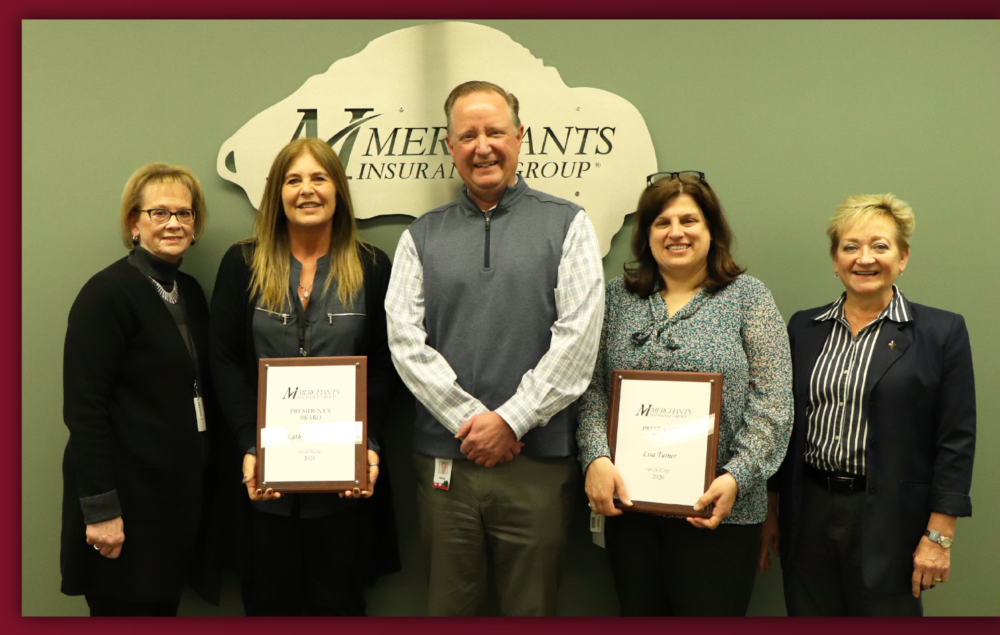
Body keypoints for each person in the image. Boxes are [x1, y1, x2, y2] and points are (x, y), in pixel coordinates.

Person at [385, 80, 605, 616]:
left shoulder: (568, 224)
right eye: (468, 135)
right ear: (449, 146)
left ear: (520, 136)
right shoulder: (421, 236)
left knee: (531, 609)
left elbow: (578, 340)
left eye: (495, 131)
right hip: (446, 460)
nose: (483, 146)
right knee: (448, 609)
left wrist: (511, 421)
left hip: (537, 461)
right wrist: (472, 421)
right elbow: (404, 341)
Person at [577, 171, 793, 616]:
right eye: (662, 222)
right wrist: (596, 458)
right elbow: (592, 389)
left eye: (689, 220)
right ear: (647, 235)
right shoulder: (616, 299)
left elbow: (773, 402)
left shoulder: (748, 298)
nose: (676, 232)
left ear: (711, 230)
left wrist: (737, 477)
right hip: (632, 509)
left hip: (720, 510)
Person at [759, 194, 975, 616]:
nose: (865, 258)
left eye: (880, 246)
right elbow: (785, 424)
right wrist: (771, 512)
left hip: (890, 520)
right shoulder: (804, 327)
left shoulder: (940, 332)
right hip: (809, 512)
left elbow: (956, 438)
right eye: (850, 246)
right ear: (835, 261)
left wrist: (940, 534)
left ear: (903, 257)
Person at [209, 137, 398, 616]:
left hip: (344, 489)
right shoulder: (244, 263)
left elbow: (384, 363)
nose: (306, 190)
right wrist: (249, 446)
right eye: (293, 180)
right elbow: (225, 360)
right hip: (264, 485)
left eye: (319, 178)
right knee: (267, 604)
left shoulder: (373, 266)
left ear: (338, 190)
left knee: (341, 603)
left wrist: (369, 445)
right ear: (278, 193)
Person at [60, 163, 217, 616]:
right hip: (123, 509)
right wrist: (100, 510)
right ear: (134, 223)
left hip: (171, 504)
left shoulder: (188, 291)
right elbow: (84, 410)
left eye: (184, 213)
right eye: (159, 212)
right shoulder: (106, 294)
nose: (174, 223)